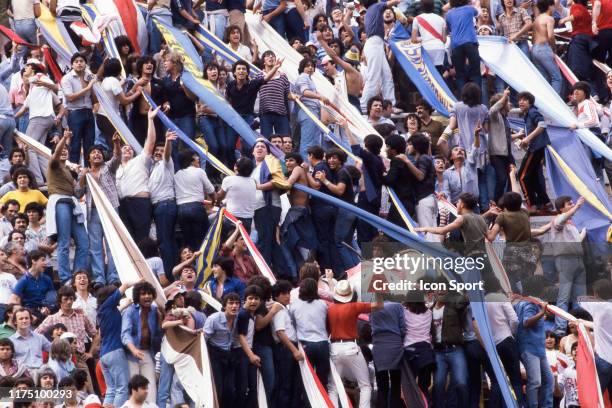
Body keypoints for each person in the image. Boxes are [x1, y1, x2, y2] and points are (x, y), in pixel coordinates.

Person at [327, 280, 383, 408]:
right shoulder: (354, 306)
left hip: (334, 348)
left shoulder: (329, 308)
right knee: (365, 385)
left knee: (333, 388)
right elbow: (379, 305)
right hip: (351, 348)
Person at [75, 137, 122, 288]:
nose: (97, 154)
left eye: (99, 152)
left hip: (110, 210)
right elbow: (77, 193)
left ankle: (114, 276)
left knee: (113, 245)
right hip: (93, 212)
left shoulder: (108, 168)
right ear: (88, 158)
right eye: (93, 153)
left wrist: (115, 143)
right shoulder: (85, 173)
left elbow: (117, 157)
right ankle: (99, 278)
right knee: (95, 247)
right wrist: (82, 176)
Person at [46, 130, 89, 285]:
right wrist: (64, 139)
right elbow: (57, 153)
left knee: (84, 242)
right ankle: (65, 279)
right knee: (63, 242)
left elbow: (77, 193)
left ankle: (78, 275)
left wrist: (82, 176)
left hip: (72, 204)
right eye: (61, 150)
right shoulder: (53, 164)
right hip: (60, 203)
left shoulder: (69, 172)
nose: (63, 152)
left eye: (66, 151)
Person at [117, 108, 158, 244]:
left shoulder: (140, 160)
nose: (128, 149)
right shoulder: (115, 168)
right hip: (122, 205)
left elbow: (150, 143)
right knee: (128, 241)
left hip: (140, 203)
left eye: (130, 148)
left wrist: (150, 119)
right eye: (124, 148)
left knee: (142, 239)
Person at [546, 196, 587, 336]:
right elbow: (562, 219)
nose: (573, 204)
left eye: (573, 203)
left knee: (579, 297)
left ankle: (579, 328)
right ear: (561, 208)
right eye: (569, 203)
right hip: (565, 260)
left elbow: (575, 241)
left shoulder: (571, 224)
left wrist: (583, 233)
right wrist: (578, 206)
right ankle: (560, 331)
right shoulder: (557, 220)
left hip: (577, 259)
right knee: (564, 297)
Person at [515, 276, 554, 408]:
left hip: (538, 349)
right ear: (539, 288)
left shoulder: (533, 302)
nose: (546, 290)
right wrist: (541, 312)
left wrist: (541, 310)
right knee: (535, 381)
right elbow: (526, 322)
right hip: (529, 348)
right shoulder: (529, 304)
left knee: (549, 380)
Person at [251, 139, 290, 274]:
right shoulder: (254, 168)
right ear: (252, 151)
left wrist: (259, 186)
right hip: (259, 208)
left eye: (263, 146)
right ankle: (280, 273)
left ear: (268, 152)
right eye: (257, 146)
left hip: (268, 206)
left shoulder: (270, 161)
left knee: (265, 241)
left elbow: (278, 180)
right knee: (270, 241)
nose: (260, 148)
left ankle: (265, 274)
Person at [121, 282, 162, 403]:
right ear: (137, 296)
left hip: (148, 352)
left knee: (150, 389)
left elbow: (159, 334)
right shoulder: (130, 311)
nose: (147, 296)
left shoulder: (155, 311)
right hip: (130, 354)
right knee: (133, 390)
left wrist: (160, 319)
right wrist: (133, 349)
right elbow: (125, 334)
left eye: (149, 293)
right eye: (143, 294)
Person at [97, 281, 136, 408]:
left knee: (111, 389)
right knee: (122, 388)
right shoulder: (109, 304)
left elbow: (119, 308)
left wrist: (126, 304)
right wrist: (139, 280)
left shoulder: (103, 311)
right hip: (115, 351)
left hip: (103, 355)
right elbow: (124, 285)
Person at [289, 278, 330, 391]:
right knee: (323, 380)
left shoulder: (294, 305)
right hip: (322, 343)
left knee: (306, 380)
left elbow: (293, 324)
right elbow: (327, 323)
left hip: (305, 344)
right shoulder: (322, 304)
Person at [515, 91, 552, 213]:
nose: (521, 102)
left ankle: (531, 204)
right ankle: (546, 202)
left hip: (536, 148)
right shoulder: (527, 114)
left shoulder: (532, 112)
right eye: (520, 99)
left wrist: (527, 139)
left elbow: (542, 125)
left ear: (530, 102)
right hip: (536, 148)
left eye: (525, 99)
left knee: (522, 176)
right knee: (533, 177)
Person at [360, 0, 399, 113]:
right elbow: (394, 1)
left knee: (387, 76)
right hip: (374, 44)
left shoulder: (372, 9)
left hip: (377, 44)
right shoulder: (375, 7)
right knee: (374, 77)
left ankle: (389, 106)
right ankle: (363, 107)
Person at [149, 130, 178, 278]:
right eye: (156, 150)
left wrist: (167, 141)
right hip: (160, 207)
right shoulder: (152, 168)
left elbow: (167, 154)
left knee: (165, 243)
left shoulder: (166, 164)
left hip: (165, 205)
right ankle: (173, 272)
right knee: (168, 241)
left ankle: (169, 275)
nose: (159, 152)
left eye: (161, 150)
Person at [204, 292, 241, 407]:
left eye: (237, 303)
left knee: (230, 390)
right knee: (218, 390)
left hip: (229, 355)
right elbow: (204, 339)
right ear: (224, 306)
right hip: (215, 356)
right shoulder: (214, 319)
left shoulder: (238, 318)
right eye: (231, 303)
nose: (234, 306)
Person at [174, 150, 216, 250]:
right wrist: (214, 201)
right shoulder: (199, 171)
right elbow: (211, 191)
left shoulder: (176, 175)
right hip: (197, 209)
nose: (198, 158)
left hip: (181, 210)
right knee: (202, 241)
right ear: (191, 160)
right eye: (196, 156)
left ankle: (191, 264)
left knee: (189, 243)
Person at [579, 279, 612, 399]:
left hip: (604, 361)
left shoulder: (598, 307)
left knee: (594, 398)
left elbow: (580, 299)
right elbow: (600, 326)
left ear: (596, 294)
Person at [61, 53, 95, 165]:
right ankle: (74, 171)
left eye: (81, 61)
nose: (79, 63)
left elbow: (94, 93)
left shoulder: (89, 76)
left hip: (89, 111)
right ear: (72, 64)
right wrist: (88, 88)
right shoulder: (67, 78)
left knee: (90, 144)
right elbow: (69, 97)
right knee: (75, 143)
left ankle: (89, 170)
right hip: (75, 112)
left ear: (85, 63)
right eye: (76, 61)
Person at [370, 300, 407, 408]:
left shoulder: (373, 307)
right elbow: (403, 328)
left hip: (379, 347)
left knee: (382, 386)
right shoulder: (398, 306)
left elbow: (371, 326)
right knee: (396, 384)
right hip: (395, 346)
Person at [294, 58, 329, 159]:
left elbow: (314, 92)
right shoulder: (303, 77)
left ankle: (312, 166)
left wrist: (322, 96)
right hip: (308, 111)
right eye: (307, 66)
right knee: (308, 143)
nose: (310, 68)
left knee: (313, 142)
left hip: (312, 111)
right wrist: (320, 97)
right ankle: (306, 167)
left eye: (312, 66)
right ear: (302, 68)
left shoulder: (309, 79)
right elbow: (305, 92)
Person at [402, 298, 435, 403]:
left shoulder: (405, 312)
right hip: (426, 354)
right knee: (424, 387)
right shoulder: (429, 313)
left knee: (410, 387)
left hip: (410, 353)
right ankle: (426, 404)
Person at [445, 0, 481, 93]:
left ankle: (464, 100)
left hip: (456, 44)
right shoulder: (470, 9)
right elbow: (478, 13)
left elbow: (449, 29)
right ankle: (477, 101)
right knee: (476, 73)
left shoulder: (449, 14)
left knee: (460, 75)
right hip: (470, 42)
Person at [487, 89, 515, 203]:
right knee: (502, 179)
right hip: (497, 153)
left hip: (507, 152)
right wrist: (504, 96)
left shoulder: (505, 118)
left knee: (511, 178)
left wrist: (518, 136)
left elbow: (505, 137)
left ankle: (508, 203)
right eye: (507, 102)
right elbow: (492, 110)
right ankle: (496, 202)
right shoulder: (495, 116)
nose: (510, 104)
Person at [9, 250, 55, 317]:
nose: (46, 263)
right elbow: (13, 300)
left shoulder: (47, 279)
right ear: (33, 261)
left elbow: (52, 297)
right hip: (29, 312)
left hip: (44, 310)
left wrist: (48, 308)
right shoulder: (24, 280)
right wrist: (25, 314)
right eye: (43, 260)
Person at [217, 157, 257, 231]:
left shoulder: (229, 179)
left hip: (232, 218)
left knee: (227, 241)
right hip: (248, 220)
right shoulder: (253, 181)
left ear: (236, 167)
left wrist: (216, 203)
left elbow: (220, 196)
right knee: (243, 242)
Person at [531, 0, 562, 95]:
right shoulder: (549, 18)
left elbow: (533, 37)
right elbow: (550, 36)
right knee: (557, 78)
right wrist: (554, 49)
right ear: (550, 6)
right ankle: (555, 104)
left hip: (534, 49)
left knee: (544, 80)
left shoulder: (537, 19)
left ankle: (545, 105)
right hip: (544, 48)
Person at [258, 51, 291, 138]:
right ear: (264, 61)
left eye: (273, 56)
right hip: (265, 112)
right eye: (268, 56)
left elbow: (287, 94)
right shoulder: (259, 75)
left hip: (281, 113)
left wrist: (295, 97)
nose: (271, 57)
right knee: (266, 139)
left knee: (284, 139)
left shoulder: (283, 76)